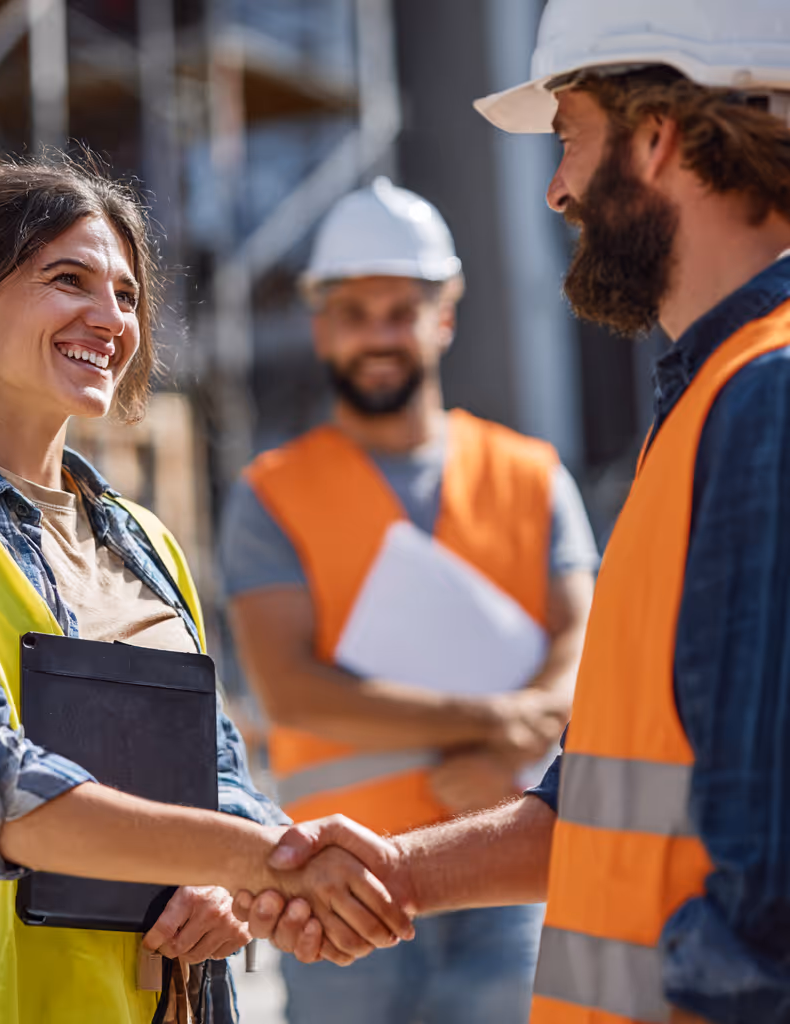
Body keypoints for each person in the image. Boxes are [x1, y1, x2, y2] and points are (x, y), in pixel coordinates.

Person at [0, 153, 413, 1024]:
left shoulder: (145, 543)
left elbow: (218, 777)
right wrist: (258, 857)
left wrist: (231, 878)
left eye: (125, 294)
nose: (110, 317)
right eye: (67, 280)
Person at [238, 3, 790, 1023]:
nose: (556, 186)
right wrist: (396, 871)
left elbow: (769, 897)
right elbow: (617, 789)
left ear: (656, 137)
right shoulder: (715, 404)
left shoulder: (765, 401)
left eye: (569, 134)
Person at [220, 177, 598, 1022]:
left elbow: (585, 644)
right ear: (322, 328)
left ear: (445, 318)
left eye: (402, 310)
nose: (380, 336)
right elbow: (291, 689)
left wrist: (517, 736)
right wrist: (495, 721)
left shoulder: (531, 474)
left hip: (505, 874)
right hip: (339, 887)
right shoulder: (273, 494)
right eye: (356, 313)